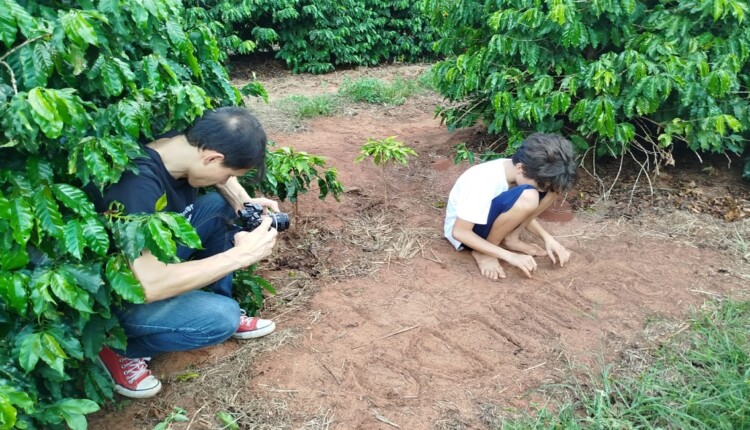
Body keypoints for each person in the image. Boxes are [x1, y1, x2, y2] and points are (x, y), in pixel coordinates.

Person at [89, 107, 280, 398]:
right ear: (212, 158)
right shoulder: (136, 185)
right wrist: (240, 256)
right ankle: (117, 346)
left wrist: (245, 204)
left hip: (152, 255)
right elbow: (149, 284)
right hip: (120, 290)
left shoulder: (181, 144)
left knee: (221, 207)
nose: (229, 178)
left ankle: (204, 302)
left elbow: (223, 181)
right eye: (229, 172)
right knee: (221, 318)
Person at [444, 133, 577, 281]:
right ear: (520, 168)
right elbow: (460, 232)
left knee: (554, 188)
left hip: (489, 221)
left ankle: (511, 239)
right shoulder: (483, 181)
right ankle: (485, 252)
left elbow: (515, 210)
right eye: (539, 185)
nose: (541, 191)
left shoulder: (519, 171)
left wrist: (548, 238)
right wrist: (509, 256)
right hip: (469, 236)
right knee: (529, 196)